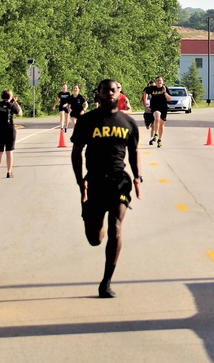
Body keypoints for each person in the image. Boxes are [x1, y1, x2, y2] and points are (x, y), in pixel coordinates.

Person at [71, 79, 141, 298]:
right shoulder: (87, 121)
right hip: (95, 181)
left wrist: (137, 177)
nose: (109, 93)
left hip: (120, 181)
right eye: (105, 90)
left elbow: (134, 151)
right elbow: (76, 151)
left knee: (116, 228)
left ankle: (106, 282)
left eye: (113, 90)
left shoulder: (129, 123)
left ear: (119, 92)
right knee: (95, 238)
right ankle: (90, 218)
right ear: (98, 94)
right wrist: (80, 179)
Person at [0, 89, 22, 178]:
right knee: (9, 152)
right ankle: (9, 172)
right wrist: (15, 103)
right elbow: (20, 113)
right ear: (10, 96)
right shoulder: (11, 105)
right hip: (9, 130)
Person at [141, 76, 171, 148]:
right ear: (155, 82)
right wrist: (145, 105)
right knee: (157, 117)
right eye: (157, 80)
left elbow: (169, 99)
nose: (159, 82)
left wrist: (164, 92)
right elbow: (145, 92)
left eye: (160, 80)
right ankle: (156, 134)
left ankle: (159, 140)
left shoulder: (165, 88)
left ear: (162, 81)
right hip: (154, 107)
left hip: (163, 108)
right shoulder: (152, 88)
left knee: (161, 125)